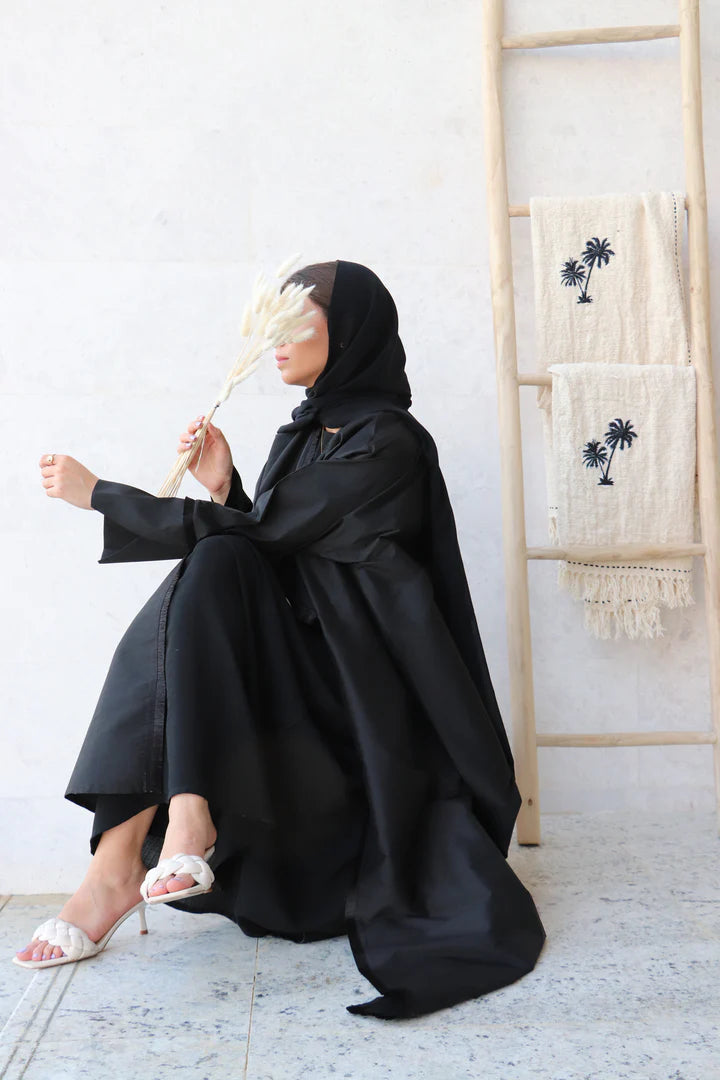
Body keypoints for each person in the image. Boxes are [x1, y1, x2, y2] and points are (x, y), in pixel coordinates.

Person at [16, 259, 546, 1019]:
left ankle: (146, 847)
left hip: (363, 706)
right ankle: (135, 851)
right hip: (299, 677)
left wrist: (102, 495)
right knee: (216, 562)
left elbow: (271, 538)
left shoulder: (389, 442)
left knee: (217, 558)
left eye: (300, 323)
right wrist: (226, 487)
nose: (279, 341)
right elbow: (277, 547)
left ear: (350, 332)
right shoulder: (304, 434)